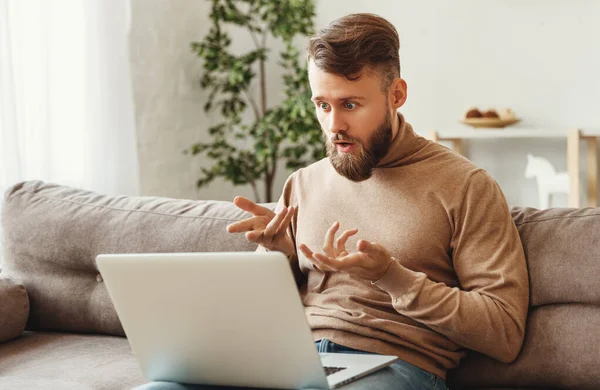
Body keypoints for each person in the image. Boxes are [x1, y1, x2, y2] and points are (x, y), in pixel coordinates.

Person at [138, 13, 529, 390]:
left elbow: (505, 332)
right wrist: (279, 259)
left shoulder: (466, 186)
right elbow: (264, 317)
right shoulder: (304, 182)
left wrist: (391, 276)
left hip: (397, 368)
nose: (333, 125)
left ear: (397, 95)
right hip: (292, 360)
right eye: (322, 105)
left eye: (350, 105)